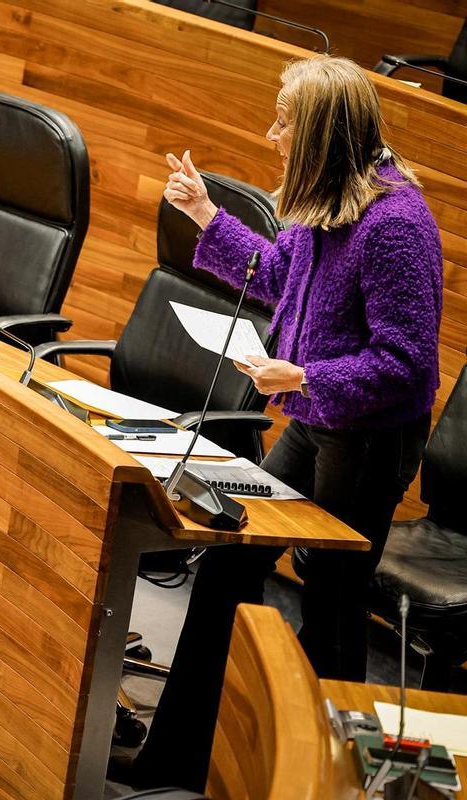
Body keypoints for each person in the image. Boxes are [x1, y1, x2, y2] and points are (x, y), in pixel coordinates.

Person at [132, 55, 443, 790]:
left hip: (369, 434)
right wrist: (208, 216)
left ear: (323, 138)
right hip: (317, 416)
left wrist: (304, 374)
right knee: (234, 549)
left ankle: (321, 776)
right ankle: (183, 754)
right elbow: (280, 278)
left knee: (332, 602)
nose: (272, 136)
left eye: (285, 124)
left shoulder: (395, 225)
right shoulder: (326, 198)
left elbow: (405, 364)